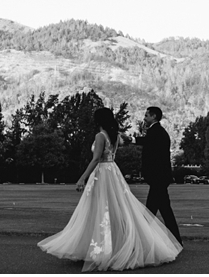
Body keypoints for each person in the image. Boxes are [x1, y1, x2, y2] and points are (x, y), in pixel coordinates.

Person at [38, 108, 182, 272]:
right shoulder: (115, 136)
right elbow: (125, 141)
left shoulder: (101, 136)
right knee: (117, 208)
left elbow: (96, 159)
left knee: (100, 209)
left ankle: (105, 247)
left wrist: (82, 178)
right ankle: (128, 243)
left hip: (102, 173)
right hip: (113, 172)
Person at [133, 106, 183, 245]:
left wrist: (131, 140)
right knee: (163, 210)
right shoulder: (158, 132)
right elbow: (147, 141)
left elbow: (147, 143)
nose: (144, 118)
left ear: (154, 116)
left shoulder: (156, 132)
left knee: (151, 211)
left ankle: (140, 238)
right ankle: (175, 240)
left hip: (157, 178)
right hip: (160, 178)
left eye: (147, 115)